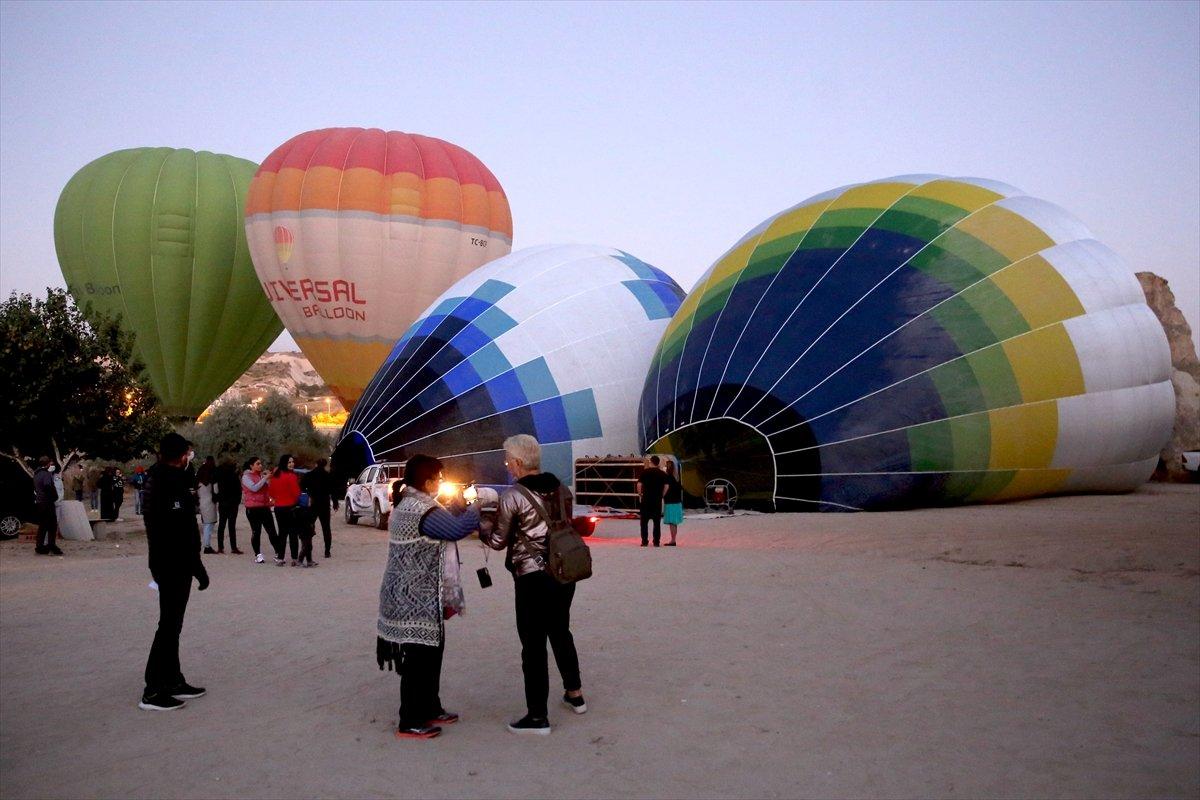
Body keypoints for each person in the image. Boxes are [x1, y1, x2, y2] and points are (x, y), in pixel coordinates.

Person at [480, 434, 586, 736]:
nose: (507, 465)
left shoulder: (513, 496)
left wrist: (482, 521)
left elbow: (498, 541)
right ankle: (575, 694)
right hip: (563, 573)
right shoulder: (562, 488)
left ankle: (537, 716)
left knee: (533, 644)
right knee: (561, 631)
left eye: (506, 460)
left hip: (531, 578)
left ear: (516, 462)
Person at [376, 454, 481, 739]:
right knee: (419, 659)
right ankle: (409, 720)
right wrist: (476, 507)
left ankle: (430, 707)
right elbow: (456, 529)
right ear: (428, 480)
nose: (441, 483)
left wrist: (458, 504)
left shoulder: (415, 504)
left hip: (418, 595)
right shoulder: (419, 509)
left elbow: (445, 520)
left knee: (432, 653)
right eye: (439, 478)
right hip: (414, 598)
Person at [139, 432, 209, 711]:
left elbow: (185, 529)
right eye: (188, 453)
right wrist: (196, 566)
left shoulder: (174, 480)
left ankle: (173, 679)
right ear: (180, 455)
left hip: (178, 563)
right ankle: (153, 690)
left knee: (174, 625)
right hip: (171, 564)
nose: (189, 457)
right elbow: (171, 532)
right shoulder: (163, 483)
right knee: (167, 626)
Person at [241, 456, 278, 564]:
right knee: (256, 532)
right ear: (251, 466)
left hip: (265, 506)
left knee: (272, 531)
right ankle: (258, 554)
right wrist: (265, 479)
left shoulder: (261, 475)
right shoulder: (246, 477)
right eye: (258, 464)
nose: (260, 465)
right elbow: (254, 488)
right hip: (253, 509)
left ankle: (278, 552)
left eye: (261, 463)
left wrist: (268, 478)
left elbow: (267, 488)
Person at [269, 454, 302, 566]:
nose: (292, 464)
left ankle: (280, 557)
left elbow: (271, 492)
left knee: (282, 533)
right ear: (285, 463)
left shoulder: (275, 476)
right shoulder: (291, 476)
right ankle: (294, 558)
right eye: (289, 462)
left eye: (292, 462)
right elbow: (296, 493)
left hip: (278, 508)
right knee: (293, 533)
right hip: (290, 507)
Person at [301, 457, 337, 558]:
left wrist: (309, 493)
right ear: (325, 465)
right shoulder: (328, 476)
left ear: (316, 464)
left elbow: (302, 486)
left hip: (313, 503)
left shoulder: (309, 475)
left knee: (309, 526)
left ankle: (307, 547)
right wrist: (335, 503)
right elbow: (333, 490)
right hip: (324, 504)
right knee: (326, 528)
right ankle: (327, 551)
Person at [33, 456, 62, 556]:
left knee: (42, 526)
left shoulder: (36, 474)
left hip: (40, 502)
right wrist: (54, 496)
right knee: (52, 526)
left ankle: (39, 546)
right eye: (51, 463)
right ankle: (51, 546)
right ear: (48, 463)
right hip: (47, 502)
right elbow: (48, 486)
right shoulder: (46, 474)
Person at [636, 455, 668, 547]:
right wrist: (662, 495)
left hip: (646, 499)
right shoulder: (662, 474)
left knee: (644, 522)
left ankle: (644, 541)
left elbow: (639, 484)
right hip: (657, 500)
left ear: (651, 462)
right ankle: (656, 541)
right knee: (656, 522)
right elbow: (667, 486)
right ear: (658, 463)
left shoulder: (645, 472)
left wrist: (640, 494)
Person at [215, 459, 242, 554]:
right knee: (231, 525)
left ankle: (220, 547)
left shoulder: (220, 476)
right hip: (233, 503)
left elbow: (216, 489)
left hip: (223, 503)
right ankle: (233, 547)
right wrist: (238, 501)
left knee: (221, 525)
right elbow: (239, 490)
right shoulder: (234, 476)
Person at [197, 457, 218, 554]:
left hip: (202, 502)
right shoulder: (212, 479)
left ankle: (207, 545)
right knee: (209, 525)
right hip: (210, 502)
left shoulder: (199, 482)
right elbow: (216, 491)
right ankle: (207, 545)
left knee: (206, 524)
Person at [662, 460, 683, 546]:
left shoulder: (667, 477)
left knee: (672, 522)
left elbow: (666, 488)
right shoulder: (676, 477)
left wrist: (662, 495)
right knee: (674, 522)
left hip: (670, 502)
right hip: (677, 501)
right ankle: (673, 539)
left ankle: (673, 540)